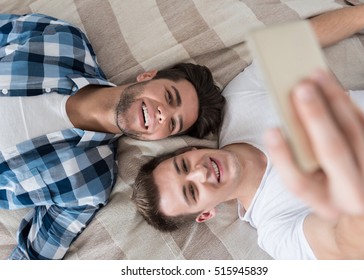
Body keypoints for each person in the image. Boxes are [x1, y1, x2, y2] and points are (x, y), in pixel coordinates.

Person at [132, 1, 364, 259]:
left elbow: (297, 42)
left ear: (190, 149)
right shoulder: (275, 228)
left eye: (184, 166)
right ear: (206, 213)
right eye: (192, 191)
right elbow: (342, 245)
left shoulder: (239, 100)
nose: (200, 172)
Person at [0, 13, 224, 260]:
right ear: (148, 75)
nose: (163, 114)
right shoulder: (64, 41)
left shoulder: (89, 183)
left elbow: (33, 258)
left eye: (172, 124)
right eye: (169, 97)